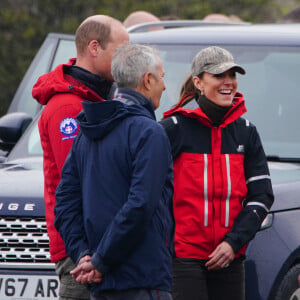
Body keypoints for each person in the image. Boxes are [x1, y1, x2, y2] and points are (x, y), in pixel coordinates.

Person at [54, 43, 174, 300]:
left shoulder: (85, 135)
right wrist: (98, 261)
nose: (165, 86)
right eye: (162, 77)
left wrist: (83, 254)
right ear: (148, 79)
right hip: (142, 279)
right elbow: (141, 205)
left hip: (101, 284)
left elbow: (64, 203)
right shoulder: (149, 133)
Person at [160, 46, 274, 300]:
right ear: (199, 82)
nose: (228, 82)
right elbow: (150, 193)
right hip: (183, 259)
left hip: (230, 258)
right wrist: (168, 245)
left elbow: (262, 196)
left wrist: (233, 242)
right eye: (219, 75)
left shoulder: (246, 131)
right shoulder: (172, 129)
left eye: (232, 75)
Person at [32, 15, 129, 300]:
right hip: (81, 251)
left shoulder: (101, 98)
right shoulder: (67, 108)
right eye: (120, 51)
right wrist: (87, 252)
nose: (125, 61)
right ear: (95, 48)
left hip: (102, 245)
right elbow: (77, 183)